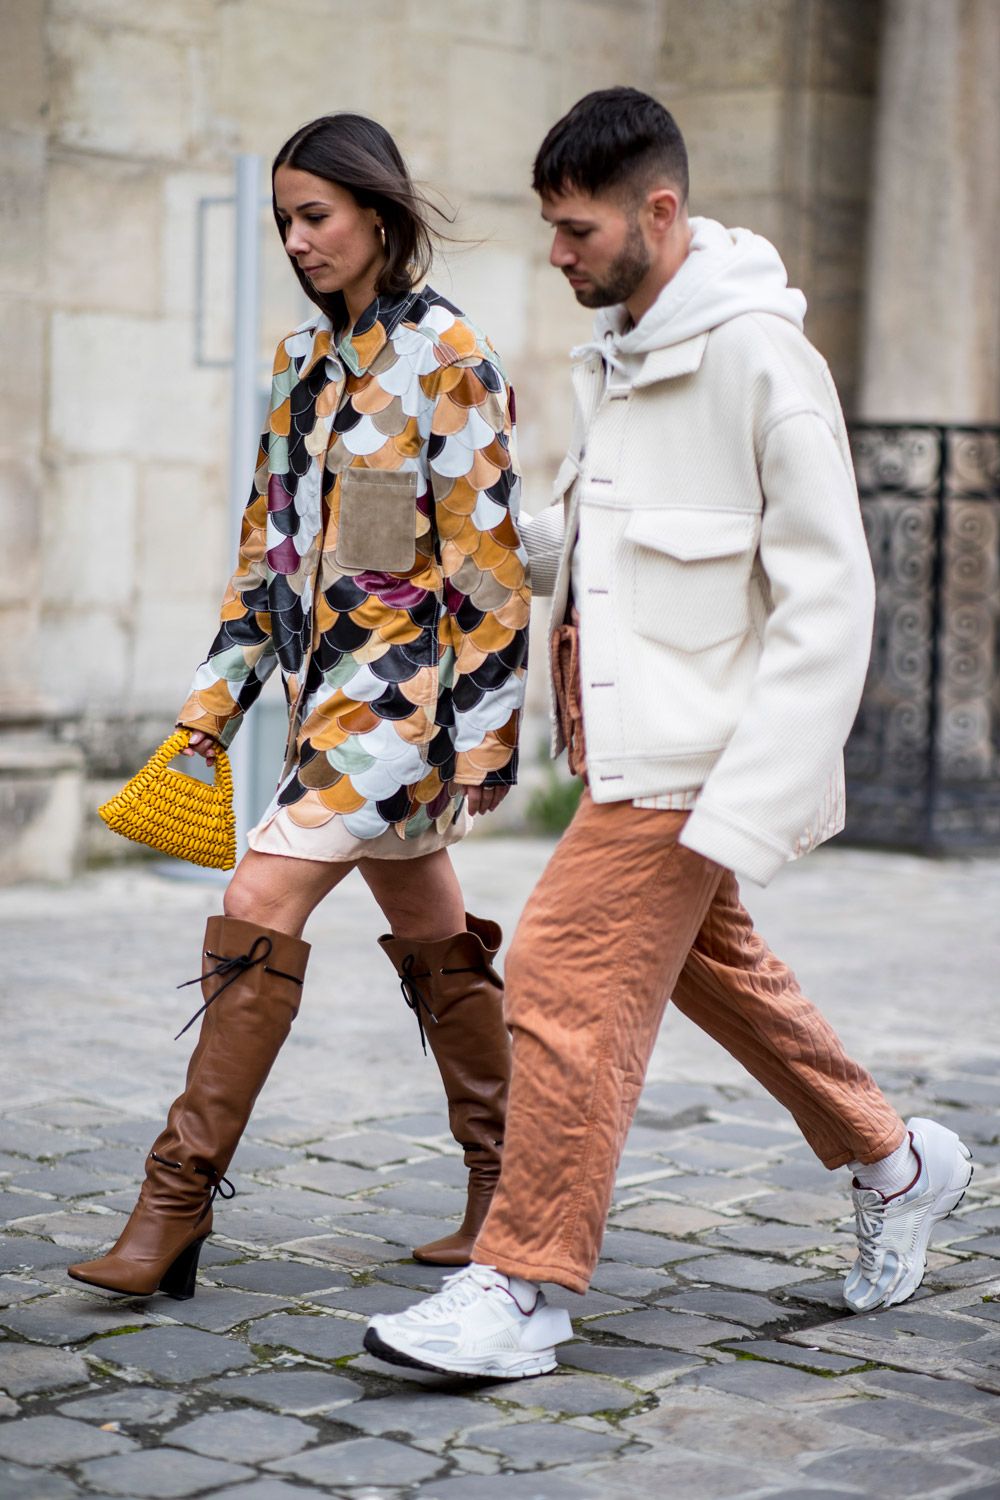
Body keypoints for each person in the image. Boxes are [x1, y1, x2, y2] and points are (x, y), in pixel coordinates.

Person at [364, 88, 973, 1379]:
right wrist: (478, 531)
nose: (556, 253)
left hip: (698, 762)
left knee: (564, 980)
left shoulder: (760, 363)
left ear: (660, 211)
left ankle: (523, 1287)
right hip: (625, 754)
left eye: (575, 229)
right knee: (718, 972)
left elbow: (832, 597)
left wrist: (756, 798)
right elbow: (609, 553)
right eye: (550, 226)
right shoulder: (627, 353)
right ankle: (898, 1160)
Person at [68, 113, 528, 1301]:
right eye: (282, 218)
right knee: (431, 928)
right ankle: (508, 1184)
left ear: (378, 214)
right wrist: (209, 714)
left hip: (401, 715)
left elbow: (486, 563)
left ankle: (171, 1204)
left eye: (314, 214)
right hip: (327, 703)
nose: (296, 238)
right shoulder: (299, 363)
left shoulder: (450, 356)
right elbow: (266, 562)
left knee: (257, 895)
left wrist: (486, 736)